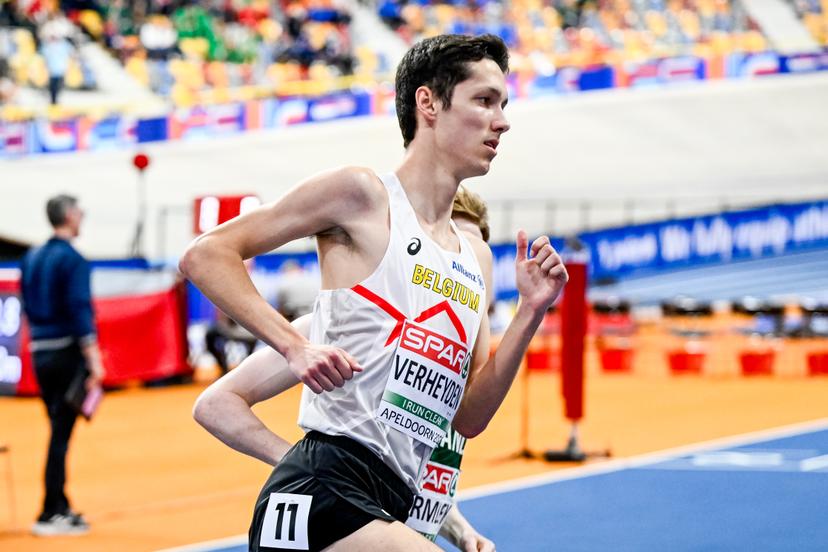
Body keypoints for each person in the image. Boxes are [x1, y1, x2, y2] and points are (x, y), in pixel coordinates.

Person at [180, 33, 567, 551]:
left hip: (391, 498)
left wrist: (530, 312)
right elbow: (206, 255)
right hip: (324, 490)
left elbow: (469, 419)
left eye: (503, 105)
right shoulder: (362, 195)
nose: (502, 121)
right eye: (484, 100)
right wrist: (294, 346)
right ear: (428, 103)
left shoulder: (472, 259)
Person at [194, 188, 495, 551]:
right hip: (327, 515)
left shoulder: (460, 375)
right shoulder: (349, 326)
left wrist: (458, 528)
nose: (457, 270)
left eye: (470, 255)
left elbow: (419, 482)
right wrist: (298, 463)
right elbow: (215, 403)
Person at [20, 194, 105, 536]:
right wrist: (95, 362)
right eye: (80, 212)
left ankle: (58, 504)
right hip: (67, 354)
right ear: (69, 216)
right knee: (60, 435)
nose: (83, 217)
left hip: (40, 353)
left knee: (57, 430)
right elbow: (80, 309)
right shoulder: (73, 259)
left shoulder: (32, 256)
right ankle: (51, 510)